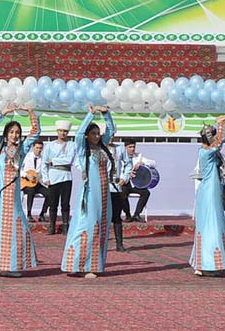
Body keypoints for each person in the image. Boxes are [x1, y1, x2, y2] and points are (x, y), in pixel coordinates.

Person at [0, 104, 40, 278]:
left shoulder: (22, 148)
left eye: (17, 132)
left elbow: (36, 132)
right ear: (6, 134)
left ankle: (10, 266)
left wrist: (30, 112)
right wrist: (2, 114)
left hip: (13, 194)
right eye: (11, 132)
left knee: (14, 227)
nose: (14, 135)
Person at [62, 106, 116, 276]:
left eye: (98, 133)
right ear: (87, 135)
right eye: (93, 133)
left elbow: (111, 129)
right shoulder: (82, 149)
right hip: (90, 193)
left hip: (104, 194)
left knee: (101, 228)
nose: (97, 136)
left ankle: (94, 266)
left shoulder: (102, 147)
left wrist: (106, 113)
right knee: (87, 227)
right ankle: (79, 265)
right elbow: (78, 134)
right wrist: (90, 114)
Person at [190, 116, 225, 276]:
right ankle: (208, 264)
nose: (215, 140)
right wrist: (220, 124)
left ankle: (203, 264)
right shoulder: (206, 152)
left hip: (210, 190)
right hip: (209, 192)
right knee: (212, 225)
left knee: (210, 225)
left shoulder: (206, 152)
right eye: (213, 137)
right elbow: (220, 142)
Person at [42, 119, 77, 235]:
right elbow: (44, 162)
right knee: (53, 203)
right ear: (57, 131)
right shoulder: (50, 145)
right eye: (61, 131)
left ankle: (65, 225)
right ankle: (52, 226)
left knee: (65, 203)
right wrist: (45, 178)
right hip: (53, 177)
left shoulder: (71, 145)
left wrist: (53, 161)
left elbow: (69, 160)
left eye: (65, 131)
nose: (63, 133)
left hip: (66, 176)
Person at [113, 139, 152, 222]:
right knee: (121, 193)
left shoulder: (138, 156)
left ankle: (137, 214)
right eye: (130, 147)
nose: (132, 149)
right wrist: (127, 175)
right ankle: (127, 215)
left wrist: (142, 163)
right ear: (125, 148)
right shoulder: (120, 157)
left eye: (134, 147)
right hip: (124, 183)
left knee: (146, 193)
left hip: (135, 184)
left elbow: (153, 163)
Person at [20, 140, 47, 221]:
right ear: (33, 147)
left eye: (40, 148)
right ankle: (29, 214)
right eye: (37, 148)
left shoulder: (43, 159)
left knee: (50, 194)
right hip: (26, 182)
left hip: (36, 182)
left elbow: (44, 172)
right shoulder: (26, 156)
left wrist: (42, 177)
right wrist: (26, 175)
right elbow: (18, 169)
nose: (38, 150)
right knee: (30, 191)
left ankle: (42, 214)